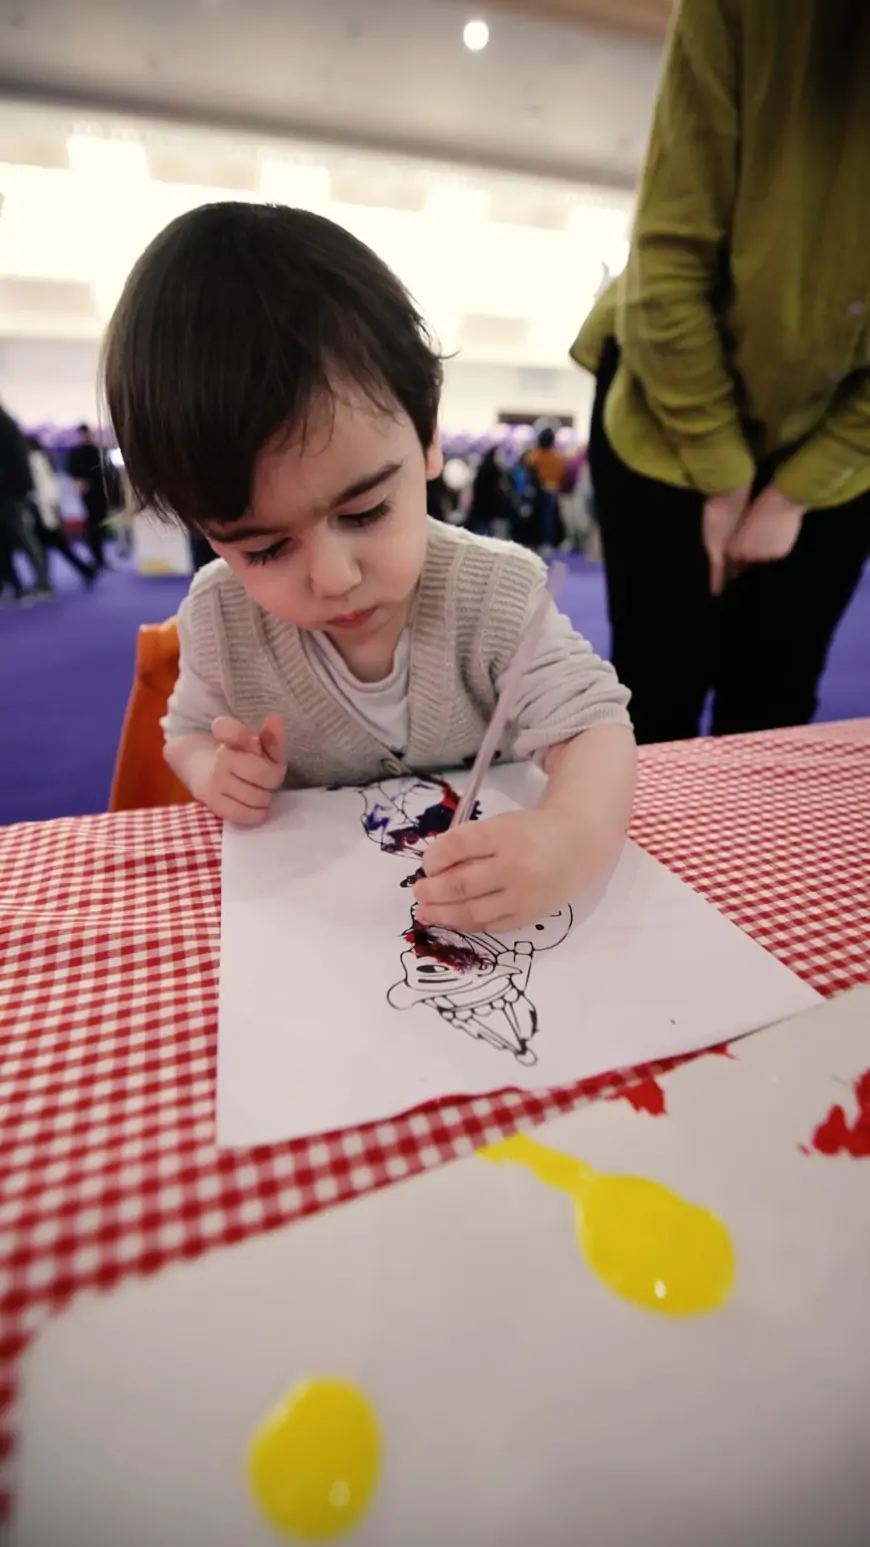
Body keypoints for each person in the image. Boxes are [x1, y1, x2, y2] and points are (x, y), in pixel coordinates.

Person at [103, 202, 636, 932]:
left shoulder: (495, 593)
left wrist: (569, 837)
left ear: (427, 443)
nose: (332, 578)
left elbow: (594, 725)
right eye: (262, 548)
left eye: (364, 513)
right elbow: (185, 730)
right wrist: (210, 768)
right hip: (315, 935)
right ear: (206, 531)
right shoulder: (219, 617)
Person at [572, 0, 870, 743]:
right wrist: (725, 476)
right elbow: (667, 273)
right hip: (665, 407)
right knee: (656, 695)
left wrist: (794, 495)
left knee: (776, 704)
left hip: (840, 445)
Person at [26, 435, 96, 588]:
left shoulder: (36, 460)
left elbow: (46, 487)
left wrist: (51, 508)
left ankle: (46, 581)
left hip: (44, 510)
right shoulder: (41, 458)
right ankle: (45, 580)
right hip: (45, 509)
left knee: (56, 546)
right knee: (52, 546)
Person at [0, 402, 52, 604]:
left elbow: (13, 464)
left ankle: (41, 584)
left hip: (9, 494)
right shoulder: (8, 422)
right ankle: (20, 585)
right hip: (13, 492)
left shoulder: (4, 425)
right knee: (17, 538)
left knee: (23, 537)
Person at [67, 423, 110, 571]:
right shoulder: (77, 453)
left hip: (100, 493)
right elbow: (73, 472)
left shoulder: (97, 450)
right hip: (88, 494)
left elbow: (106, 470)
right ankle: (96, 556)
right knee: (92, 525)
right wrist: (80, 482)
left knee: (100, 524)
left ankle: (100, 557)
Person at [523, 426, 567, 552]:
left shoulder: (533, 455)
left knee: (538, 518)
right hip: (551, 491)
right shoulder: (558, 458)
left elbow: (528, 473)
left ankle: (536, 543)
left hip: (538, 492)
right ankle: (546, 543)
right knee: (548, 519)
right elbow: (562, 475)